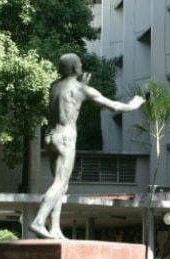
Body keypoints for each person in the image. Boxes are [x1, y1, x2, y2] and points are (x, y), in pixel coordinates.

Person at [29, 53, 145, 239]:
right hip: (65, 137)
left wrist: (81, 84)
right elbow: (113, 106)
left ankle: (55, 229)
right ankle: (38, 221)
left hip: (50, 135)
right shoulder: (82, 89)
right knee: (59, 184)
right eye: (79, 63)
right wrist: (132, 106)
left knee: (61, 185)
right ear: (75, 68)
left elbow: (66, 96)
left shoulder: (54, 85)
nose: (82, 65)